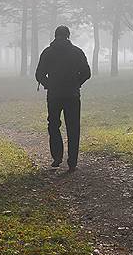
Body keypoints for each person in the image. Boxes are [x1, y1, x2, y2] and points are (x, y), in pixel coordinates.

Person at [35, 25, 91, 172]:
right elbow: (86, 72)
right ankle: (72, 161)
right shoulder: (77, 52)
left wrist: (49, 85)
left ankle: (57, 157)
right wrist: (76, 83)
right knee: (73, 128)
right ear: (68, 35)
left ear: (55, 35)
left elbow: (39, 74)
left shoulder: (47, 53)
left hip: (54, 95)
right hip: (72, 94)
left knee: (53, 125)